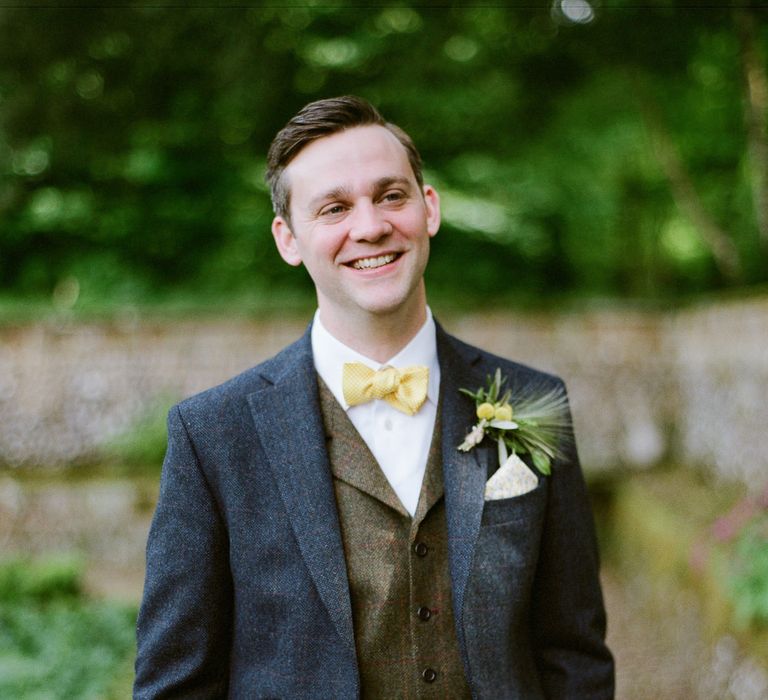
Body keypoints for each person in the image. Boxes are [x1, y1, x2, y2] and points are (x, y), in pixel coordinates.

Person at [134, 96, 614, 698]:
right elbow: (175, 684)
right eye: (334, 208)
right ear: (288, 239)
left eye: (391, 195)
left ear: (429, 208)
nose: (370, 226)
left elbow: (573, 652)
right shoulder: (213, 434)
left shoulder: (532, 402)